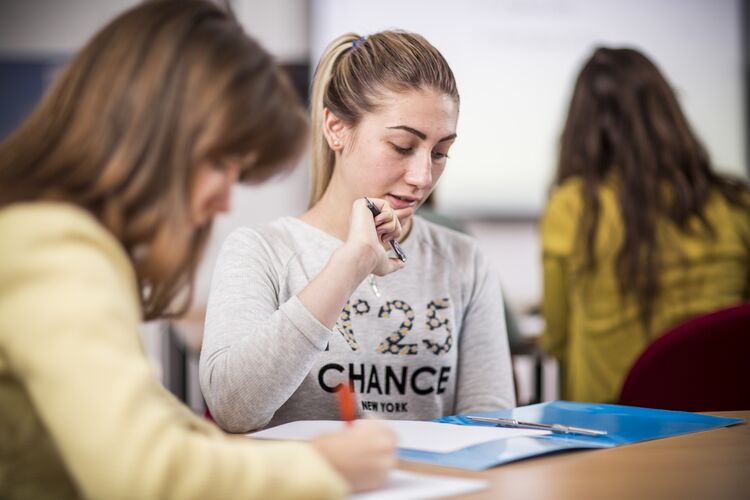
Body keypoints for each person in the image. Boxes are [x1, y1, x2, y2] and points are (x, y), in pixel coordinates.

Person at [0, 2, 397, 499]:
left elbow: (155, 428)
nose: (227, 198)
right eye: (219, 161)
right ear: (145, 130)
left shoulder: (42, 240)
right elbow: (141, 470)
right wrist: (323, 468)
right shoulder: (53, 250)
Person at [200, 30, 516, 433]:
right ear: (336, 128)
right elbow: (233, 409)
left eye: (440, 153)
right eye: (402, 146)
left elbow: (489, 426)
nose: (422, 177)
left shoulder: (464, 261)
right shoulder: (261, 251)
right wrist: (349, 266)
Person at [539, 47, 750, 403]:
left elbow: (556, 337)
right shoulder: (735, 202)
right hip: (724, 426)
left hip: (610, 431)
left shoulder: (572, 206)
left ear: (582, 124)